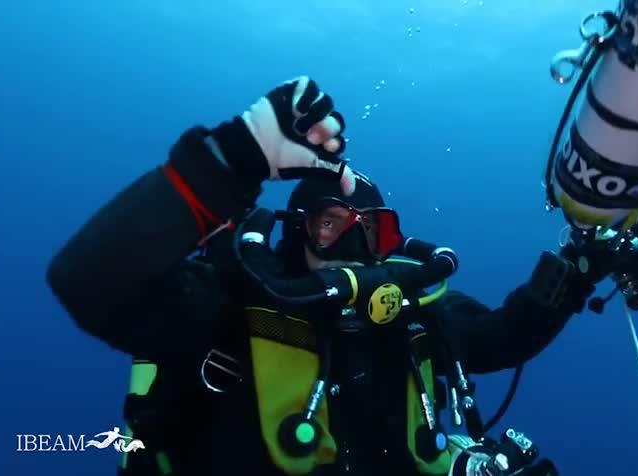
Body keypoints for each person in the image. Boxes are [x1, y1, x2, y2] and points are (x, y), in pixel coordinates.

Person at [46, 77, 602, 476]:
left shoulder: (417, 315)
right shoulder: (229, 305)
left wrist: (582, 264)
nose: (351, 246)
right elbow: (88, 279)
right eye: (329, 224)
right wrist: (232, 159)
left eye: (370, 230)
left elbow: (507, 335)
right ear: (296, 232)